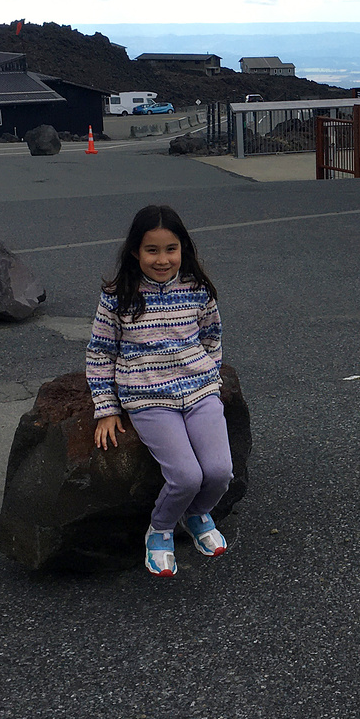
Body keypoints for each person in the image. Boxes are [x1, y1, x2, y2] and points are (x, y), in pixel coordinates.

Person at [86, 204, 233, 577]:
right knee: (185, 476)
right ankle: (161, 528)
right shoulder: (118, 295)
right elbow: (100, 352)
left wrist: (211, 379)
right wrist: (106, 408)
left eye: (171, 249)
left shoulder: (197, 289)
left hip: (200, 393)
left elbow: (212, 336)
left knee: (218, 471)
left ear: (184, 249)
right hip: (149, 399)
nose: (163, 259)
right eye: (152, 250)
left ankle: (196, 514)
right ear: (135, 251)